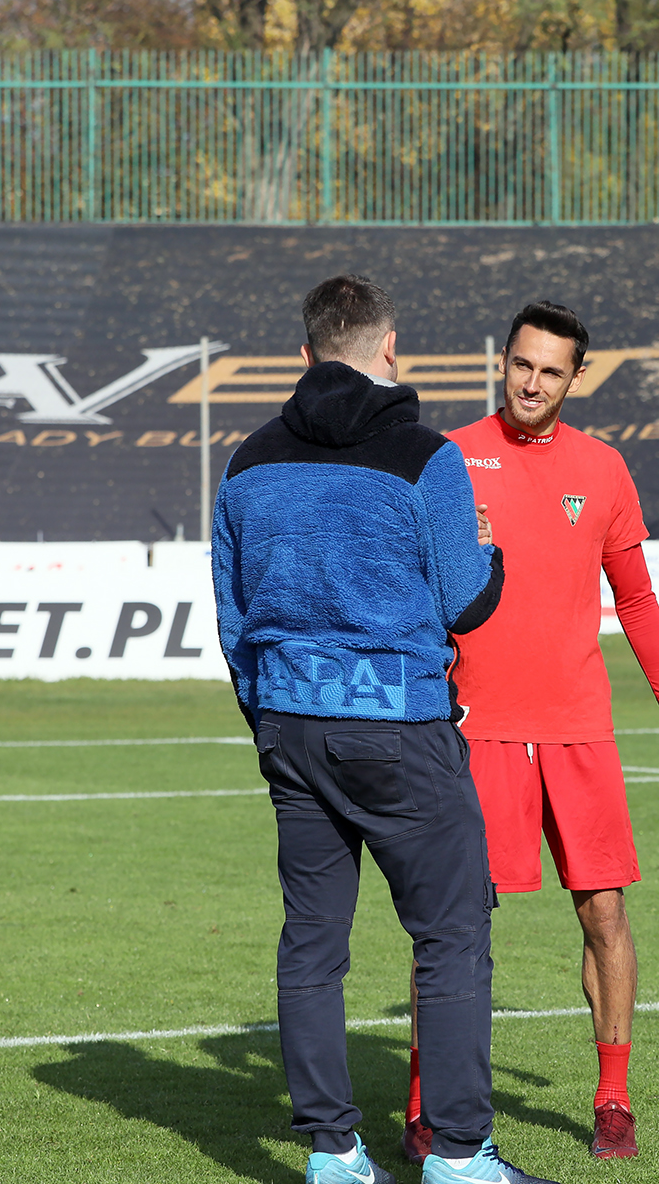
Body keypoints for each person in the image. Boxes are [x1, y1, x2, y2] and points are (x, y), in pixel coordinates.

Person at [212, 275, 556, 1184]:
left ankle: (333, 1153)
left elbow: (233, 618)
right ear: (390, 349)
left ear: (305, 354)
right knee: (451, 935)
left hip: (291, 724)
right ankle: (458, 1154)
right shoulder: (426, 456)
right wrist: (493, 555)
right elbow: (465, 600)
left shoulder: (247, 461)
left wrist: (268, 718)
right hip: (400, 725)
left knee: (312, 941)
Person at [401, 300, 659, 1163]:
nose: (531, 383)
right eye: (521, 364)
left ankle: (613, 1097)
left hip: (578, 728)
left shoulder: (602, 469)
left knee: (605, 911)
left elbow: (636, 597)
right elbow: (415, 590)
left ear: (577, 377)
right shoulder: (447, 459)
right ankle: (423, 1105)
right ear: (502, 361)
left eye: (550, 370)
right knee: (453, 924)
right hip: (478, 729)